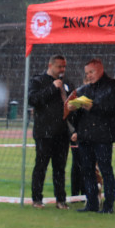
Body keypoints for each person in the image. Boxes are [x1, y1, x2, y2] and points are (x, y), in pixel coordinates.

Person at [67, 59, 115, 213]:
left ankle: (108, 205)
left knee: (105, 170)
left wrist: (91, 106)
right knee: (87, 171)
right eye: (87, 73)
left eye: (91, 72)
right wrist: (72, 108)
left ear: (100, 69)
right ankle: (91, 203)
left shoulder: (113, 86)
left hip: (103, 136)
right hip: (85, 136)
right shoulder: (83, 90)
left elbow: (110, 109)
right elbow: (76, 117)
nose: (88, 75)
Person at [27, 55, 70, 209]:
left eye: (64, 67)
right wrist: (52, 87)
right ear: (50, 65)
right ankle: (37, 199)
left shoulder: (66, 83)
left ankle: (61, 200)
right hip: (44, 132)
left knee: (60, 168)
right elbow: (33, 100)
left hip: (62, 133)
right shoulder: (37, 81)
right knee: (41, 166)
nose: (62, 70)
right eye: (59, 66)